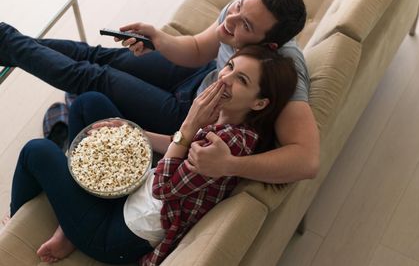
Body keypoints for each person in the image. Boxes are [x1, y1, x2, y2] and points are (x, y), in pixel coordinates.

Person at [0, 0, 319, 183]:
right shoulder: (240, 13)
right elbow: (197, 49)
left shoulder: (286, 69)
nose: (229, 22)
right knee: (99, 56)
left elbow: (306, 160)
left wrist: (231, 164)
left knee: (93, 77)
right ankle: (7, 46)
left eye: (244, 25)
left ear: (270, 47)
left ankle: (5, 38)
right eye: (237, 7)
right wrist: (159, 39)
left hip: (190, 116)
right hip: (199, 76)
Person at [9, 45, 298, 265]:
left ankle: (15, 226)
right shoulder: (230, 118)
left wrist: (190, 123)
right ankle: (79, 208)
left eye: (241, 80)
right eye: (230, 66)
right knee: (90, 104)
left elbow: (162, 187)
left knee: (38, 151)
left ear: (260, 103)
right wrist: (136, 132)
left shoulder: (227, 145)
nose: (224, 79)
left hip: (118, 236)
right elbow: (177, 150)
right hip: (137, 189)